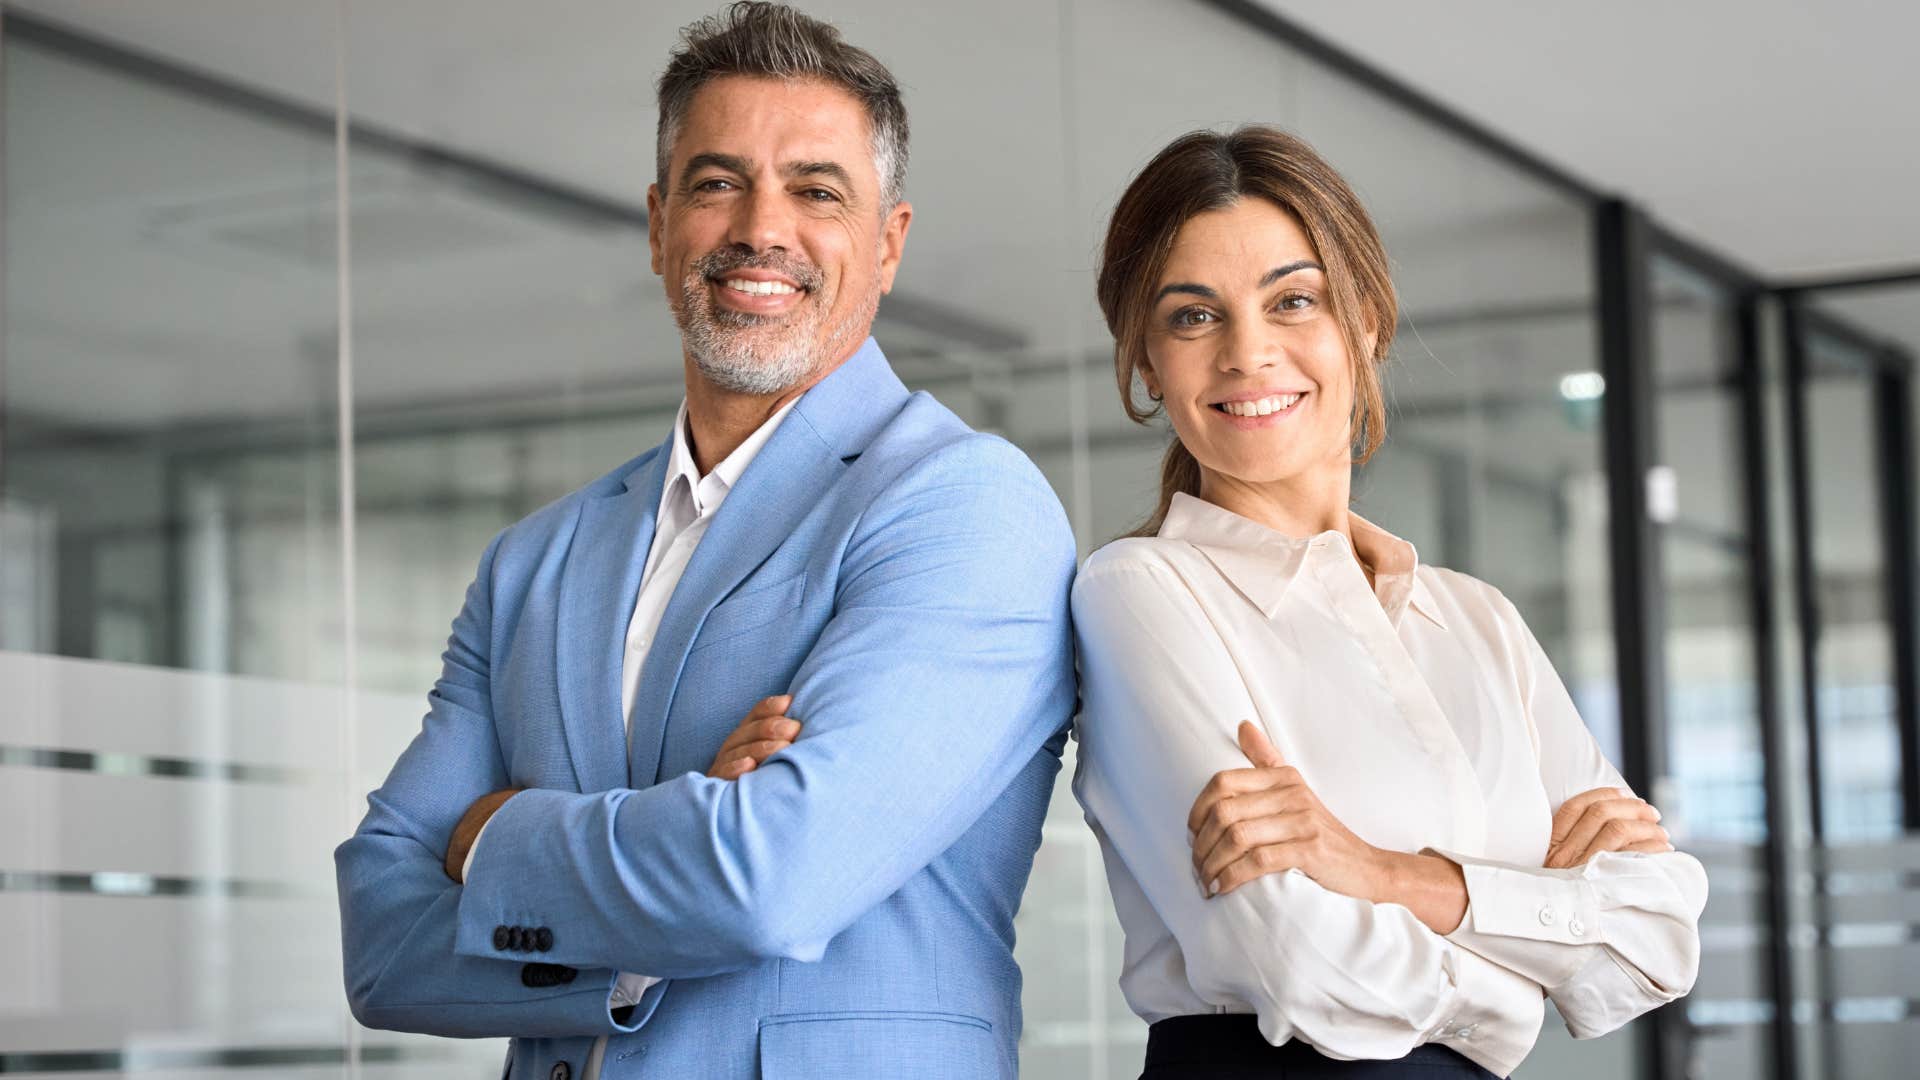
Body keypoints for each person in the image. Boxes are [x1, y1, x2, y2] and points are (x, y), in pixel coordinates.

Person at [332, 5, 1076, 1078]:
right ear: (658, 224)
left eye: (817, 191)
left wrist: (492, 836)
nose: (761, 229)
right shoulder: (533, 562)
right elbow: (378, 940)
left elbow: (772, 880)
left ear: (888, 243)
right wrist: (673, 858)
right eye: (718, 182)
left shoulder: (963, 505)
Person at [1070, 126, 1707, 1079]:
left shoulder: (1478, 622)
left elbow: (1656, 938)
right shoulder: (1140, 592)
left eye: (1293, 300)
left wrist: (1379, 874)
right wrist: (1530, 966)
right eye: (1194, 316)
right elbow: (1298, 961)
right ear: (1150, 365)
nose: (1248, 352)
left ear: (1366, 323)